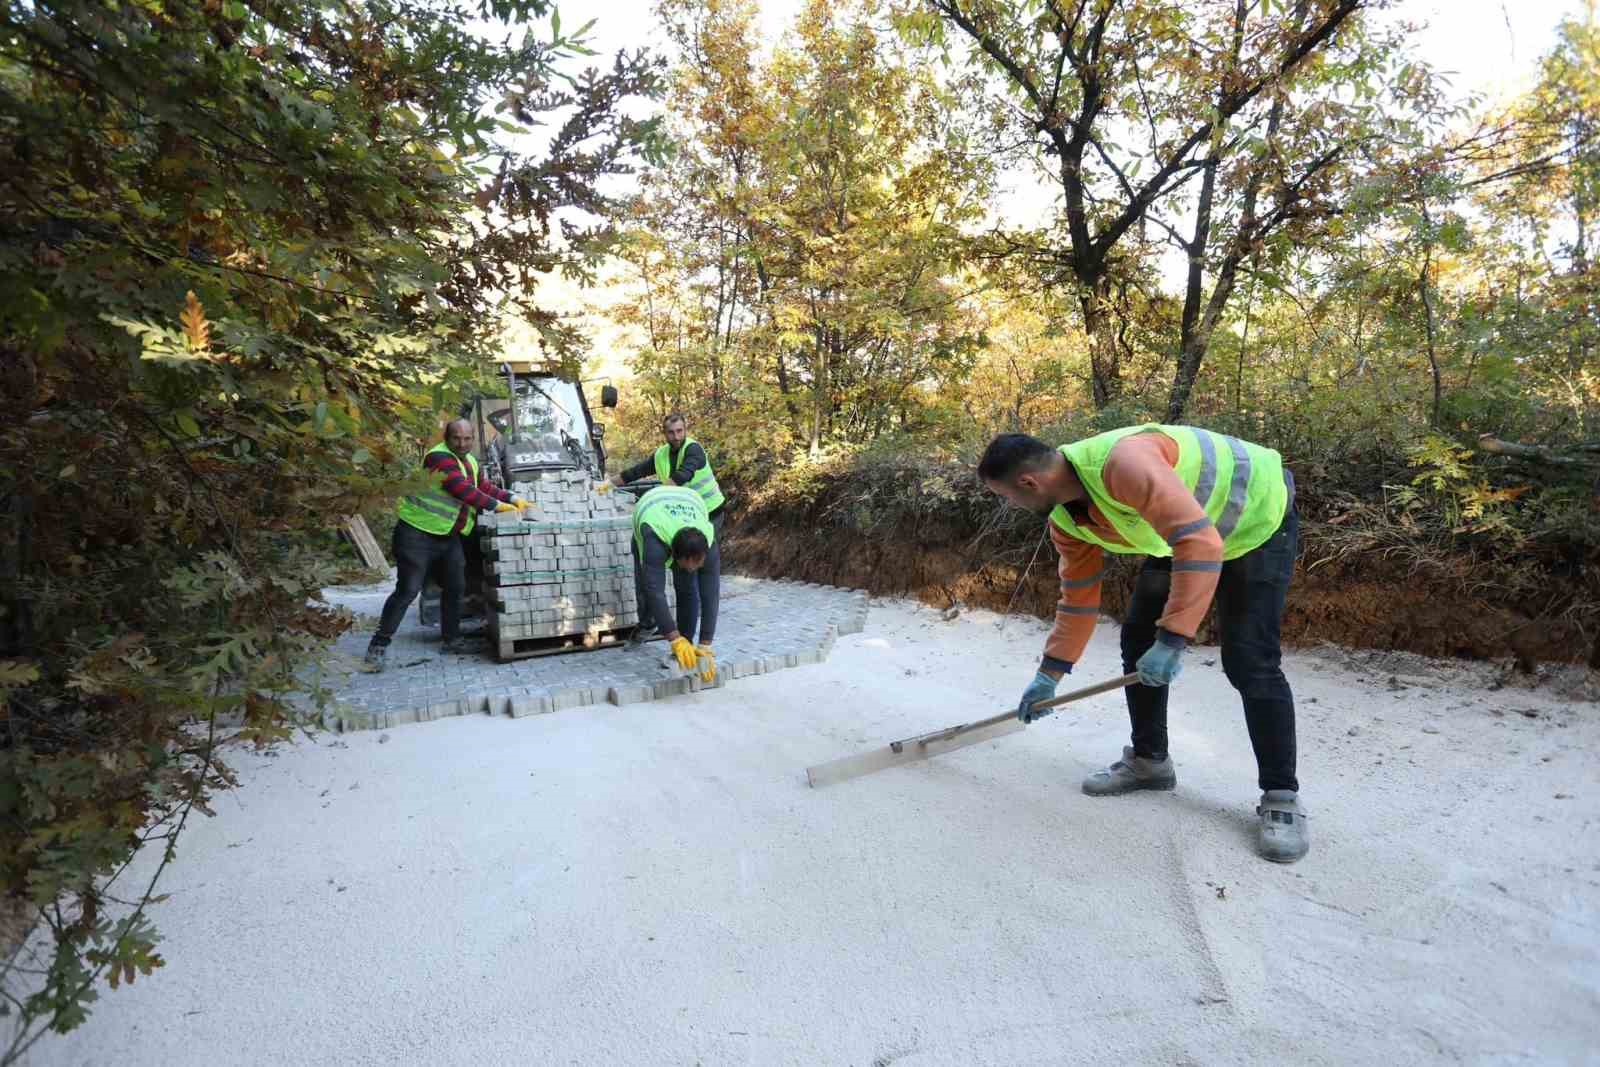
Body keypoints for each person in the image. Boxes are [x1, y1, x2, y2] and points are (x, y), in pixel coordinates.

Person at [977, 425, 1306, 863]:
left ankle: (1281, 796)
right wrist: (1049, 674)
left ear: (1029, 483)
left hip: (1255, 520)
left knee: (1249, 658)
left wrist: (1173, 639)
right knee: (1137, 639)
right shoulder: (1065, 519)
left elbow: (1199, 541)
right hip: (1187, 528)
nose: (1012, 506)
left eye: (1007, 497)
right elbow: (1078, 599)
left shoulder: (1123, 463)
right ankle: (1150, 762)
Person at [364, 420, 531, 670]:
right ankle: (378, 646)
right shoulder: (438, 458)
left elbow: (481, 486)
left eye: (467, 439)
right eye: (456, 438)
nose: (462, 443)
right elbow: (460, 489)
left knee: (455, 587)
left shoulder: (470, 461)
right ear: (447, 437)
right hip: (416, 535)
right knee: (408, 590)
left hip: (447, 536)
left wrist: (512, 497)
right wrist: (497, 506)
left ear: (473, 439)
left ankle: (451, 640)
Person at [629, 484, 719, 684]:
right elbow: (655, 591)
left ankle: (684, 650)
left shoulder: (709, 543)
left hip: (688, 498)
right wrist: (673, 638)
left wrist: (705, 644)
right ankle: (648, 623)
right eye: (686, 565)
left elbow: (710, 594)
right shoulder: (654, 539)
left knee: (688, 588)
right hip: (651, 507)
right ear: (674, 555)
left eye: (697, 564)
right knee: (645, 587)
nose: (691, 568)